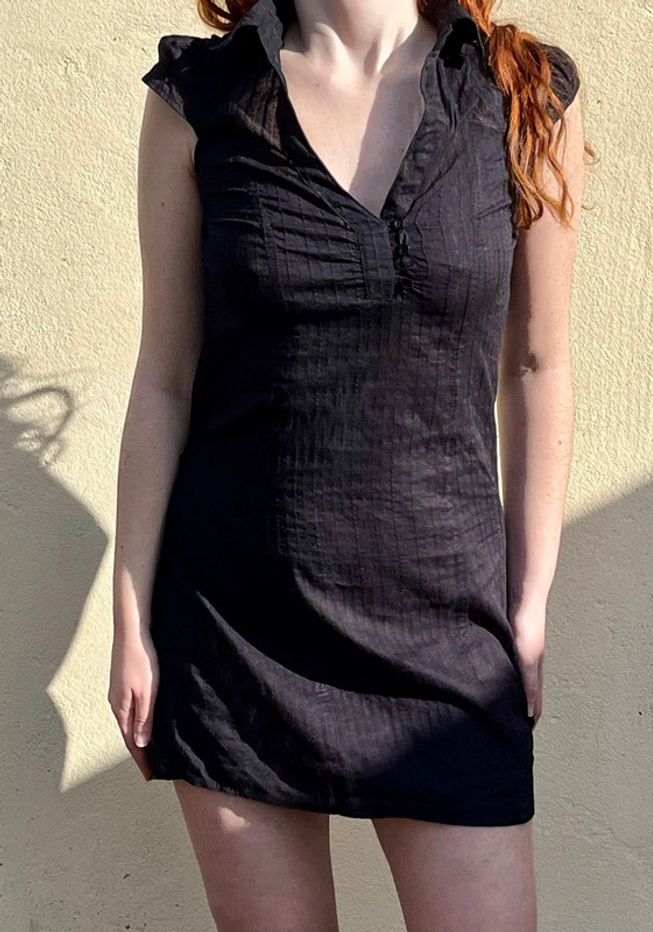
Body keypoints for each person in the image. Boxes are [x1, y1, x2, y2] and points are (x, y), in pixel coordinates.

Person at [110, 0, 591, 928]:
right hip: (238, 638)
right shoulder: (202, 99)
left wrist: (528, 609)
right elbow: (165, 378)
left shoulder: (520, 94)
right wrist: (132, 620)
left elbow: (539, 366)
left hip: (448, 637)